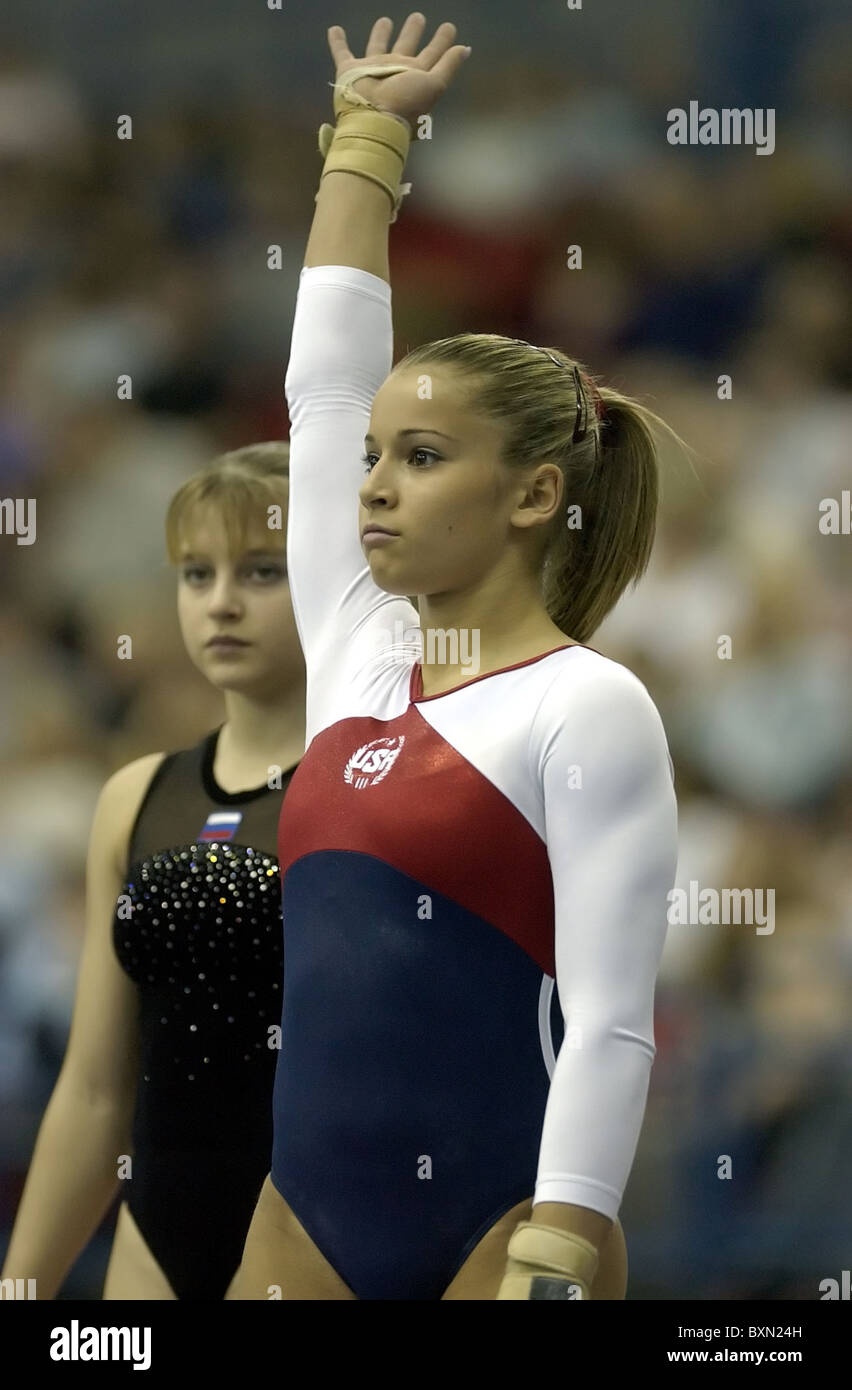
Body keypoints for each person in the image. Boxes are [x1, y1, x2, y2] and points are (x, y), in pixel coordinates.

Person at [231, 13, 680, 1301]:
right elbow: (322, 384)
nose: (370, 487)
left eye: (421, 460)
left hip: (503, 1216)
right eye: (373, 458)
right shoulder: (358, 651)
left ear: (536, 495)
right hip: (301, 1218)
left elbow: (609, 1020)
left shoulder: (587, 706)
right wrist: (368, 141)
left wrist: (557, 1243)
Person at [2, 442, 306, 1300]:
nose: (221, 604)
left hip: (322, 1240)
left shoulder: (370, 788)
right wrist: (20, 1291)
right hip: (158, 1240)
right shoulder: (134, 800)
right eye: (196, 574)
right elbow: (97, 1089)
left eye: (261, 572)